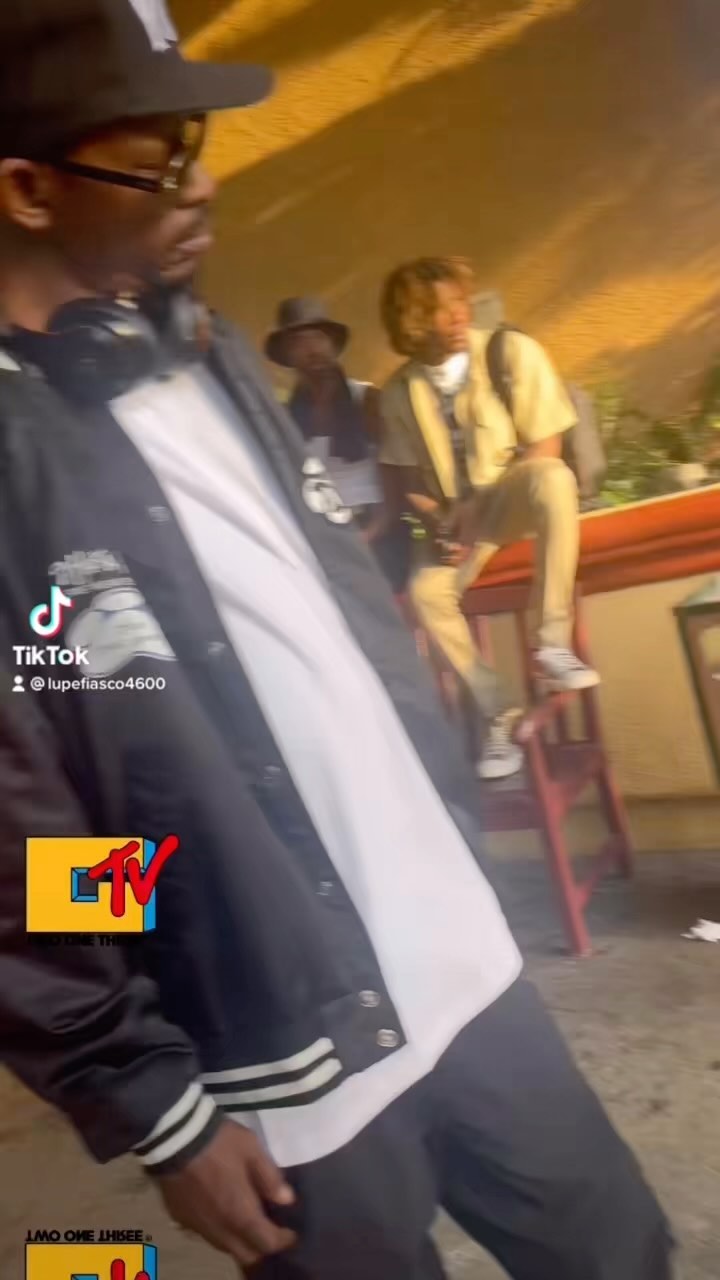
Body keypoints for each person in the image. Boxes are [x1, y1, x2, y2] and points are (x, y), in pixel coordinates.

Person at [0, 5, 673, 1279]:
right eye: (157, 158)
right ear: (29, 189)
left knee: (619, 1250)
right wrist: (146, 1089)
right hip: (285, 1051)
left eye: (198, 143)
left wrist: (448, 822)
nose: (201, 181)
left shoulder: (207, 355)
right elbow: (35, 812)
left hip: (460, 955)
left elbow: (345, 626)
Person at [379, 257, 600, 780]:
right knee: (427, 594)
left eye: (460, 302)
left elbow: (545, 445)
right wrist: (440, 524)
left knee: (554, 478)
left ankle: (551, 644)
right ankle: (500, 711)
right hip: (458, 522)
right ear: (412, 323)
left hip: (509, 494)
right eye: (440, 309)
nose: (459, 315)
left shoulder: (509, 352)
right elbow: (410, 484)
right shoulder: (398, 394)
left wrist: (478, 509)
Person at [265, 295, 411, 592]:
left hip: (376, 529)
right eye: (299, 342)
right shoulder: (286, 419)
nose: (312, 350)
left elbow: (395, 486)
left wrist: (367, 536)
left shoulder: (367, 400)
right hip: (323, 535)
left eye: (318, 338)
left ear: (333, 345)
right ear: (288, 355)